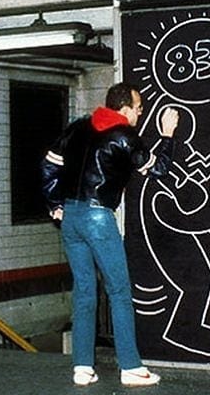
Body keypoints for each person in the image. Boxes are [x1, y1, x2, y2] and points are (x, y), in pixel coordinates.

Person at [41, 83, 179, 386]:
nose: (141, 112)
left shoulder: (78, 128)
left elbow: (49, 165)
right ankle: (130, 368)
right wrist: (168, 134)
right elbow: (158, 169)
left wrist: (54, 204)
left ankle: (82, 367)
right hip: (98, 218)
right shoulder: (126, 136)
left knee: (85, 292)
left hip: (71, 219)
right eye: (139, 106)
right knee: (118, 292)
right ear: (125, 108)